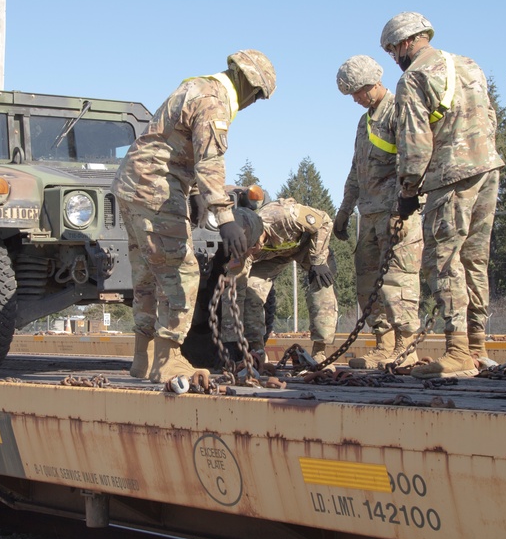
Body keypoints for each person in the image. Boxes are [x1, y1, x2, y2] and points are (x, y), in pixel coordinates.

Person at [111, 50, 276, 384]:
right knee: (181, 270)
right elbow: (210, 160)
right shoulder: (215, 102)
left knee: (147, 275)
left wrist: (196, 193)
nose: (253, 103)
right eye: (257, 95)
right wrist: (225, 218)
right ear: (247, 82)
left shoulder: (197, 86)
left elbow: (174, 142)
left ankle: (143, 359)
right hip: (157, 187)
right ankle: (167, 358)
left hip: (132, 183)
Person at [380, 12, 504, 378]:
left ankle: (458, 350)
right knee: (475, 261)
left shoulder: (414, 77)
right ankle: (479, 346)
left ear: (403, 43)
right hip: (487, 168)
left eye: (392, 51)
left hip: (451, 176)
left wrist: (407, 191)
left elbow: (414, 144)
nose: (394, 58)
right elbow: (491, 117)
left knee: (445, 260)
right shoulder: (468, 65)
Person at [333, 55, 422, 370]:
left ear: (372, 82)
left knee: (398, 279)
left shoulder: (399, 111)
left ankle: (405, 347)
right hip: (368, 216)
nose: (356, 99)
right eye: (352, 95)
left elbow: (412, 161)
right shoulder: (365, 121)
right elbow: (356, 170)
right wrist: (344, 211)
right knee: (368, 281)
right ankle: (384, 344)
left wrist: (403, 205)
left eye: (358, 92)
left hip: (396, 212)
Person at [224, 197, 338, 368]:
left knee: (321, 287)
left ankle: (319, 353)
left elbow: (324, 221)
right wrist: (231, 342)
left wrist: (318, 260)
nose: (248, 252)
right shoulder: (243, 249)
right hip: (272, 258)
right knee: (250, 294)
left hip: (308, 247)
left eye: (251, 247)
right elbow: (234, 294)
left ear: (258, 237)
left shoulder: (285, 215)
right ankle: (257, 352)